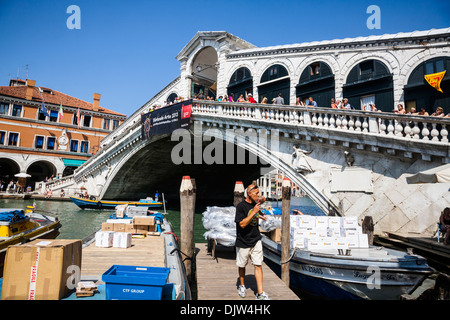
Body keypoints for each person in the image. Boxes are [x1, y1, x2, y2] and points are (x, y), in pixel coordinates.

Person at [235, 184, 270, 300]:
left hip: (256, 239)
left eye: (259, 193)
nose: (258, 195)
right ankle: (242, 285)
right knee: (242, 265)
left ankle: (260, 293)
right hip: (243, 240)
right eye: (256, 193)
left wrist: (261, 215)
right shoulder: (241, 207)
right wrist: (255, 212)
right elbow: (242, 224)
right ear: (249, 193)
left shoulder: (256, 204)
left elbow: (262, 201)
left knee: (258, 264)